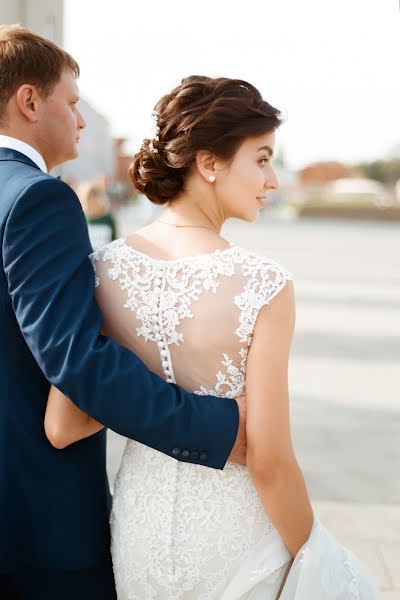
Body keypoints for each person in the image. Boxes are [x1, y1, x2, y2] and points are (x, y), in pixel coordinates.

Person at [47, 76, 381, 598]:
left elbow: (64, 425)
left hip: (140, 535)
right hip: (238, 539)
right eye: (262, 159)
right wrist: (315, 556)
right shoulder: (264, 284)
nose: (272, 180)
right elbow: (269, 463)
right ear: (209, 163)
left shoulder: (98, 270)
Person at [0, 27, 246, 600]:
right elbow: (76, 359)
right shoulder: (39, 197)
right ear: (30, 101)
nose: (81, 122)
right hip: (34, 522)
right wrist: (217, 426)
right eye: (73, 103)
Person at [77, 180, 117, 250]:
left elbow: (115, 241)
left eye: (95, 199)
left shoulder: (108, 219)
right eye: (89, 200)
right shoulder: (81, 219)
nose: (93, 203)